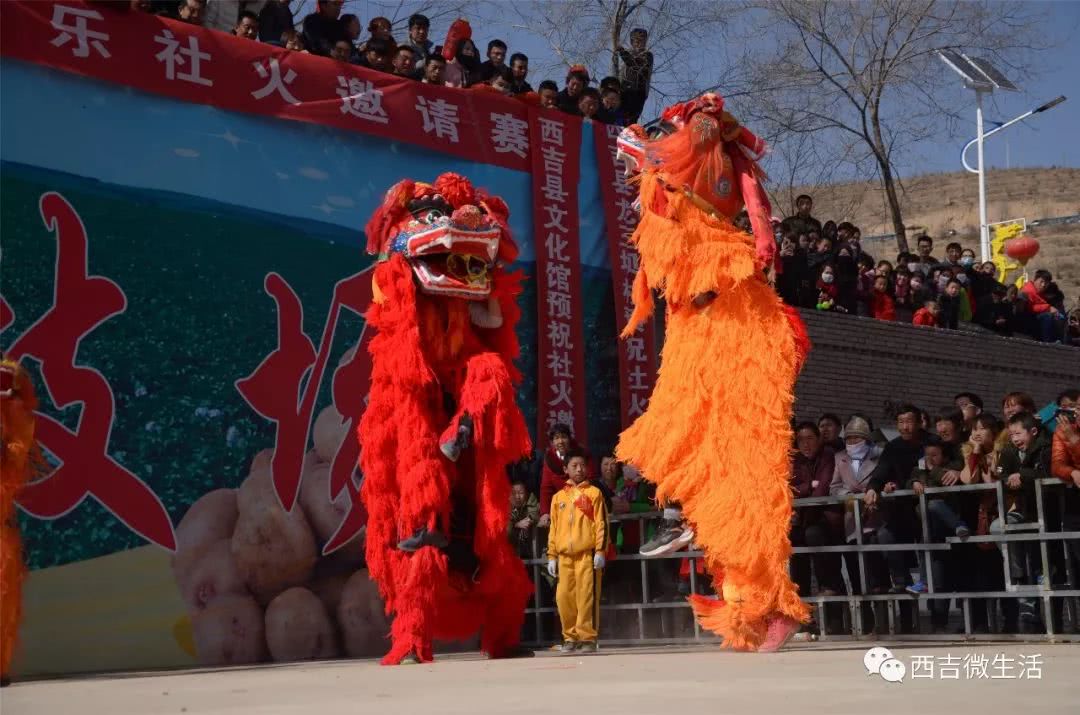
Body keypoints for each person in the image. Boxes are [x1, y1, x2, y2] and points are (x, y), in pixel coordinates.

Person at [992, 412, 1053, 630]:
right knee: (998, 527)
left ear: (1033, 431)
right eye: (1011, 435)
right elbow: (1000, 475)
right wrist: (1010, 478)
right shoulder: (1008, 451)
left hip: (1048, 511)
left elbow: (1047, 471)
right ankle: (1018, 575)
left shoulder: (1045, 446)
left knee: (1042, 559)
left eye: (1019, 433)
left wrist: (1022, 475)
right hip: (1020, 508)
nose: (1015, 438)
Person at [546, 447, 608, 653]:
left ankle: (588, 638)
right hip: (564, 556)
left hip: (586, 555)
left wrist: (600, 551)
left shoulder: (594, 493)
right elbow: (553, 528)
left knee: (586, 597)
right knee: (564, 598)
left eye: (582, 465)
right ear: (566, 469)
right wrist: (551, 556)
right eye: (574, 466)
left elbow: (602, 524)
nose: (579, 469)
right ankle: (570, 638)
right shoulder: (558, 498)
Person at [789, 422, 840, 598]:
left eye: (810, 438)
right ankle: (802, 606)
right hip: (802, 519)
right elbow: (790, 489)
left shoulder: (827, 455)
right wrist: (808, 485)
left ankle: (828, 590)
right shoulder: (796, 460)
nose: (805, 444)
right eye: (801, 440)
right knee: (794, 544)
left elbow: (823, 488)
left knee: (814, 537)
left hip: (825, 518)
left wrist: (806, 491)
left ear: (818, 439)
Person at [616, 28, 653, 123]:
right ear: (632, 42)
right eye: (637, 41)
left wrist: (622, 52)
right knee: (618, 118)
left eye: (642, 41)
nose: (640, 43)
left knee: (630, 120)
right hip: (624, 92)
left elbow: (636, 67)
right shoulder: (630, 54)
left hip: (638, 93)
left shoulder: (647, 55)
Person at [1021, 269, 1066, 342]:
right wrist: (1048, 308)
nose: (1043, 285)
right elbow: (1029, 307)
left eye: (1046, 283)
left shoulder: (1041, 293)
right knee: (1047, 316)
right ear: (1035, 280)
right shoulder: (1028, 291)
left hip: (1037, 319)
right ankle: (1048, 342)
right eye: (1041, 281)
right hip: (1029, 320)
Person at [508, 481, 539, 560]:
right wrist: (516, 524)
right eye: (514, 493)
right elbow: (505, 522)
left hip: (529, 545)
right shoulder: (506, 504)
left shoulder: (530, 498)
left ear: (526, 493)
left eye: (521, 493)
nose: (517, 497)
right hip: (511, 546)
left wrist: (528, 520)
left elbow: (534, 513)